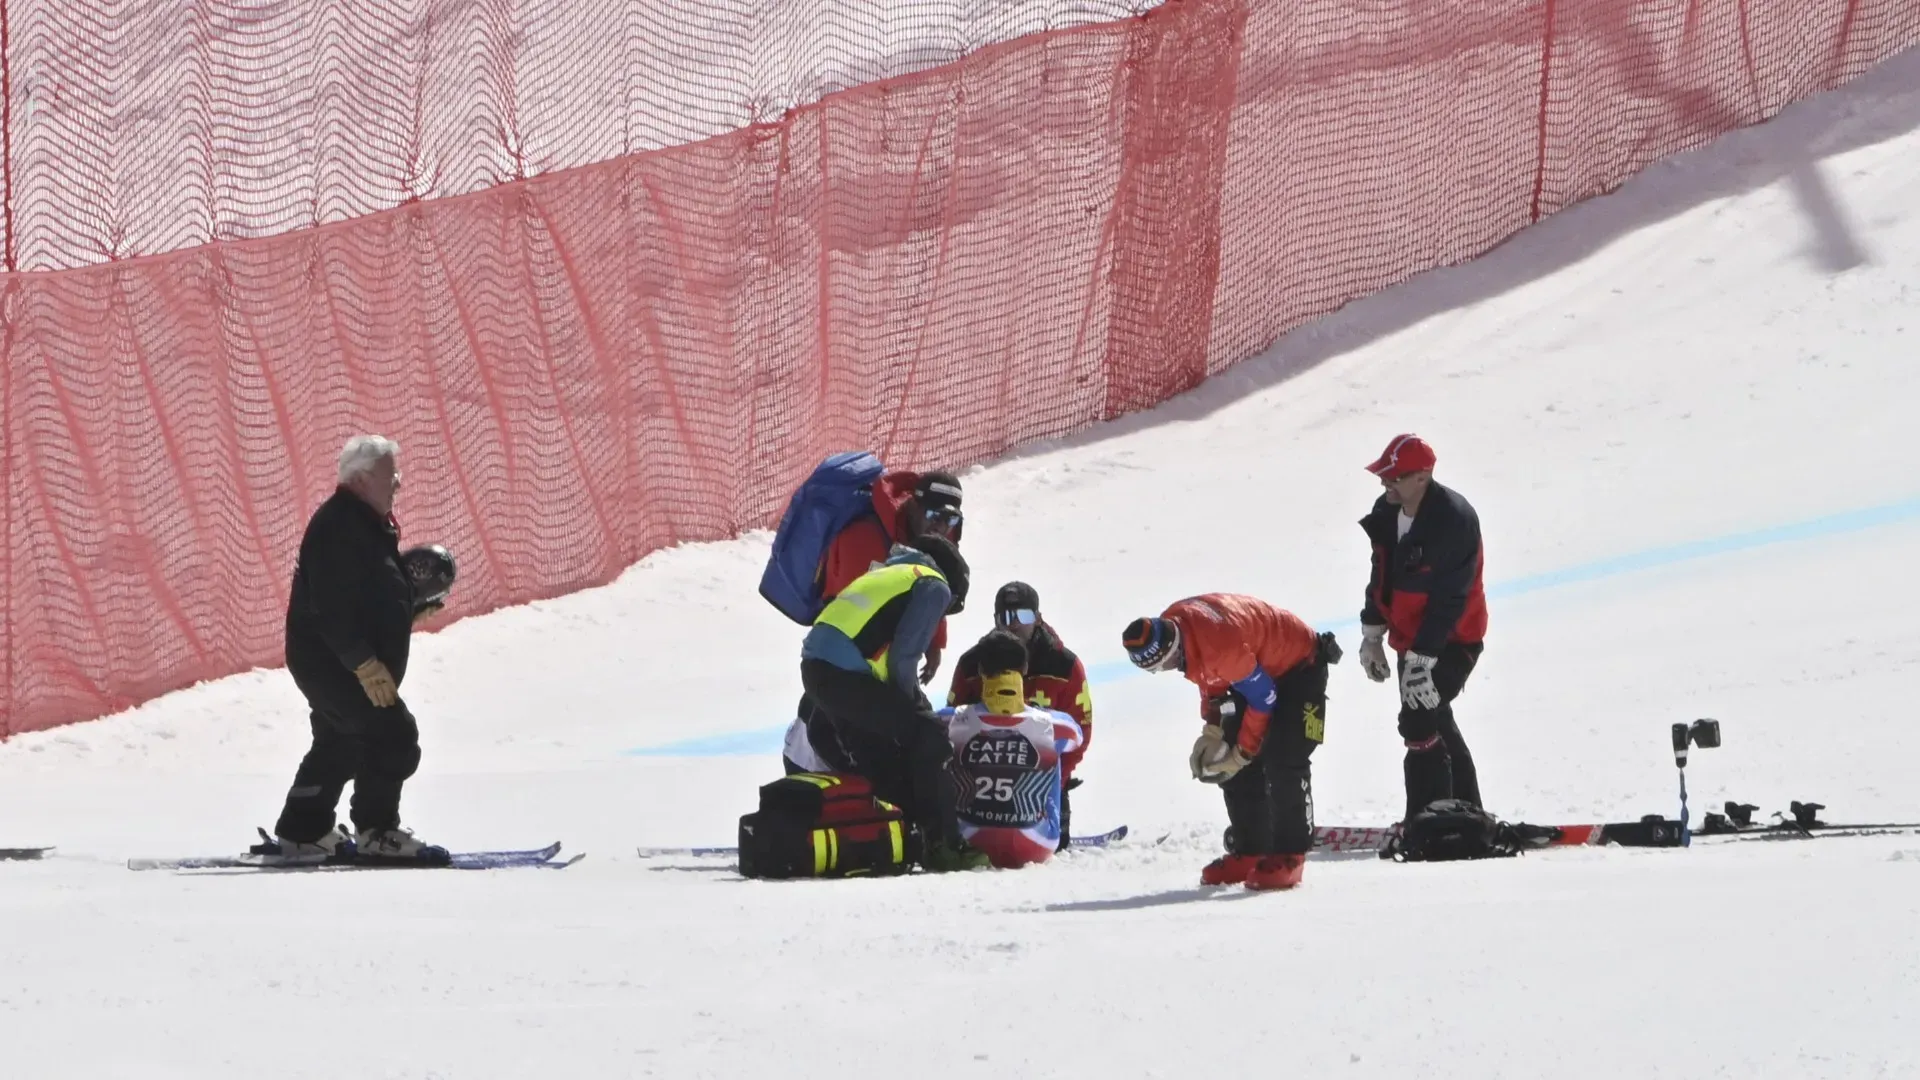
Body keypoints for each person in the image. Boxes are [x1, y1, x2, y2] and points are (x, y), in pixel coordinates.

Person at [272, 436, 443, 861]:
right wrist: (364, 664)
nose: (398, 484)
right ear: (364, 478)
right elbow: (331, 608)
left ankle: (302, 828)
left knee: (340, 740)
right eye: (392, 476)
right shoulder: (339, 526)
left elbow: (365, 594)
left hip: (335, 659)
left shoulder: (362, 523)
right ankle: (377, 830)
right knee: (393, 734)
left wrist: (405, 616)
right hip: (333, 661)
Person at [795, 534, 990, 872]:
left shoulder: (885, 574)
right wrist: (920, 708)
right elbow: (903, 659)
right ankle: (944, 845)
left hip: (818, 671)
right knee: (929, 736)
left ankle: (899, 838)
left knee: (879, 754)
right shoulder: (933, 584)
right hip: (844, 674)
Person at [1122, 594, 1341, 891]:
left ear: (1172, 649)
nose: (1167, 670)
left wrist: (1244, 752)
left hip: (1300, 667)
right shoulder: (1174, 623)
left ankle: (1291, 856)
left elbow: (1264, 698)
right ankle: (1252, 850)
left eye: (1163, 664)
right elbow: (1207, 676)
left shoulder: (1220, 647)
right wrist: (1213, 728)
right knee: (1229, 748)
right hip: (1253, 669)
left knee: (1283, 758)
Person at [1355, 434, 1488, 823]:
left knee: (1420, 718)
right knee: (1434, 717)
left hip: (1453, 639)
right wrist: (1372, 635)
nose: (1385, 484)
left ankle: (1428, 815)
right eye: (1384, 477)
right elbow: (1381, 576)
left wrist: (1422, 659)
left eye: (1394, 477)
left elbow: (1450, 600)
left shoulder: (1455, 520)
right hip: (1409, 639)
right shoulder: (1388, 510)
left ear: (1423, 477)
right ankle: (1462, 811)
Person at [947, 581, 1092, 844]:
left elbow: (1081, 729)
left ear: (1037, 618)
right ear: (995, 620)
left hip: (1043, 780)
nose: (1013, 624)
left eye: (1022, 616)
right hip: (980, 780)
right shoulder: (972, 664)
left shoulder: (1064, 665)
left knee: (1056, 844)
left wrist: (1055, 779)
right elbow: (952, 731)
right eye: (1005, 617)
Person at [938, 630, 1084, 869]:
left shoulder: (950, 720)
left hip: (970, 841)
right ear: (1024, 670)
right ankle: (1042, 819)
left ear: (982, 672)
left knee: (944, 752)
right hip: (1036, 845)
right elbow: (1076, 738)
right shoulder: (1054, 723)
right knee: (1053, 748)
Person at [821, 469, 964, 684]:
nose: (942, 526)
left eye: (951, 519)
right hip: (841, 628)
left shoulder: (938, 537)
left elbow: (935, 586)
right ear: (914, 508)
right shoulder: (864, 538)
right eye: (934, 515)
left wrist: (934, 642)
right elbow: (849, 611)